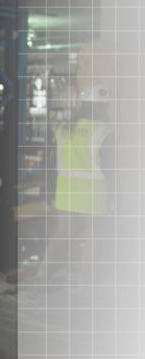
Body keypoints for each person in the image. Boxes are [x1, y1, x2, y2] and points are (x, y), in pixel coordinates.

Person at [50, 84, 114, 282]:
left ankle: (42, 279)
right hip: (92, 198)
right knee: (92, 243)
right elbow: (111, 170)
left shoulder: (63, 129)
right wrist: (116, 198)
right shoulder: (104, 131)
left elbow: (52, 164)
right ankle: (85, 289)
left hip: (64, 196)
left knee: (61, 238)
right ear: (100, 107)